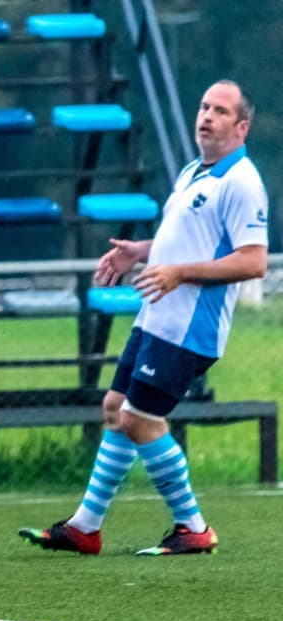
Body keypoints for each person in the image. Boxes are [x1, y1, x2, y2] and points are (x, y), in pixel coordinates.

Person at [20, 80, 268, 556]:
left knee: (139, 418)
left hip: (189, 327)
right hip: (157, 317)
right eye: (204, 106)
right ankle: (84, 528)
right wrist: (140, 251)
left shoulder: (242, 182)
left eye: (220, 111)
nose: (207, 116)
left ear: (242, 127)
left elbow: (253, 261)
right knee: (116, 408)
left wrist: (180, 273)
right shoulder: (195, 171)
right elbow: (185, 241)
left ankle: (193, 527)